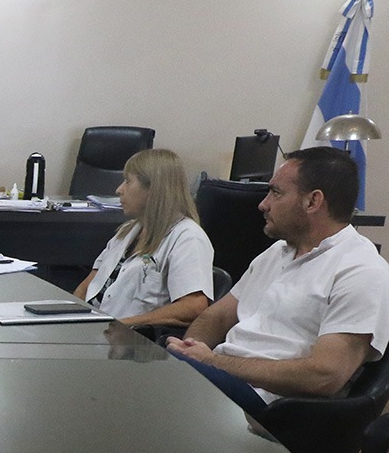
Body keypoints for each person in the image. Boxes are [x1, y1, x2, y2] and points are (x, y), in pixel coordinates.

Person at [166, 146, 389, 417]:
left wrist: (213, 362)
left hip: (272, 407)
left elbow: (326, 375)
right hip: (223, 378)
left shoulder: (362, 271)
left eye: (276, 192)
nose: (263, 204)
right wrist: (190, 351)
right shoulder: (278, 251)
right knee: (143, 365)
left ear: (313, 202)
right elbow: (218, 317)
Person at [72, 149, 214, 327]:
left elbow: (193, 307)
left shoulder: (187, 238)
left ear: (153, 189)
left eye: (128, 181)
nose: (119, 190)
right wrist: (71, 318)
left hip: (129, 337)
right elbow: (88, 285)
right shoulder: (128, 231)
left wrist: (121, 325)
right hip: (94, 329)